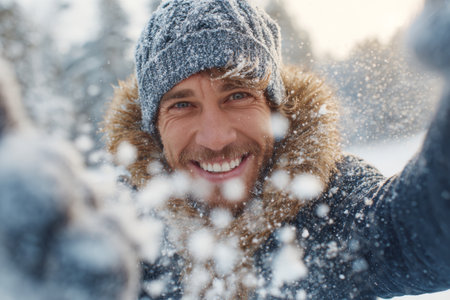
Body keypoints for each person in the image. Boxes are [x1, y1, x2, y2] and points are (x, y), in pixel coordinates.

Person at [103, 0, 450, 299]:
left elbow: (424, 228)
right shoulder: (121, 232)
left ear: (274, 109)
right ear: (154, 131)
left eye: (237, 95)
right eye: (182, 105)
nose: (216, 138)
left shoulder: (330, 204)